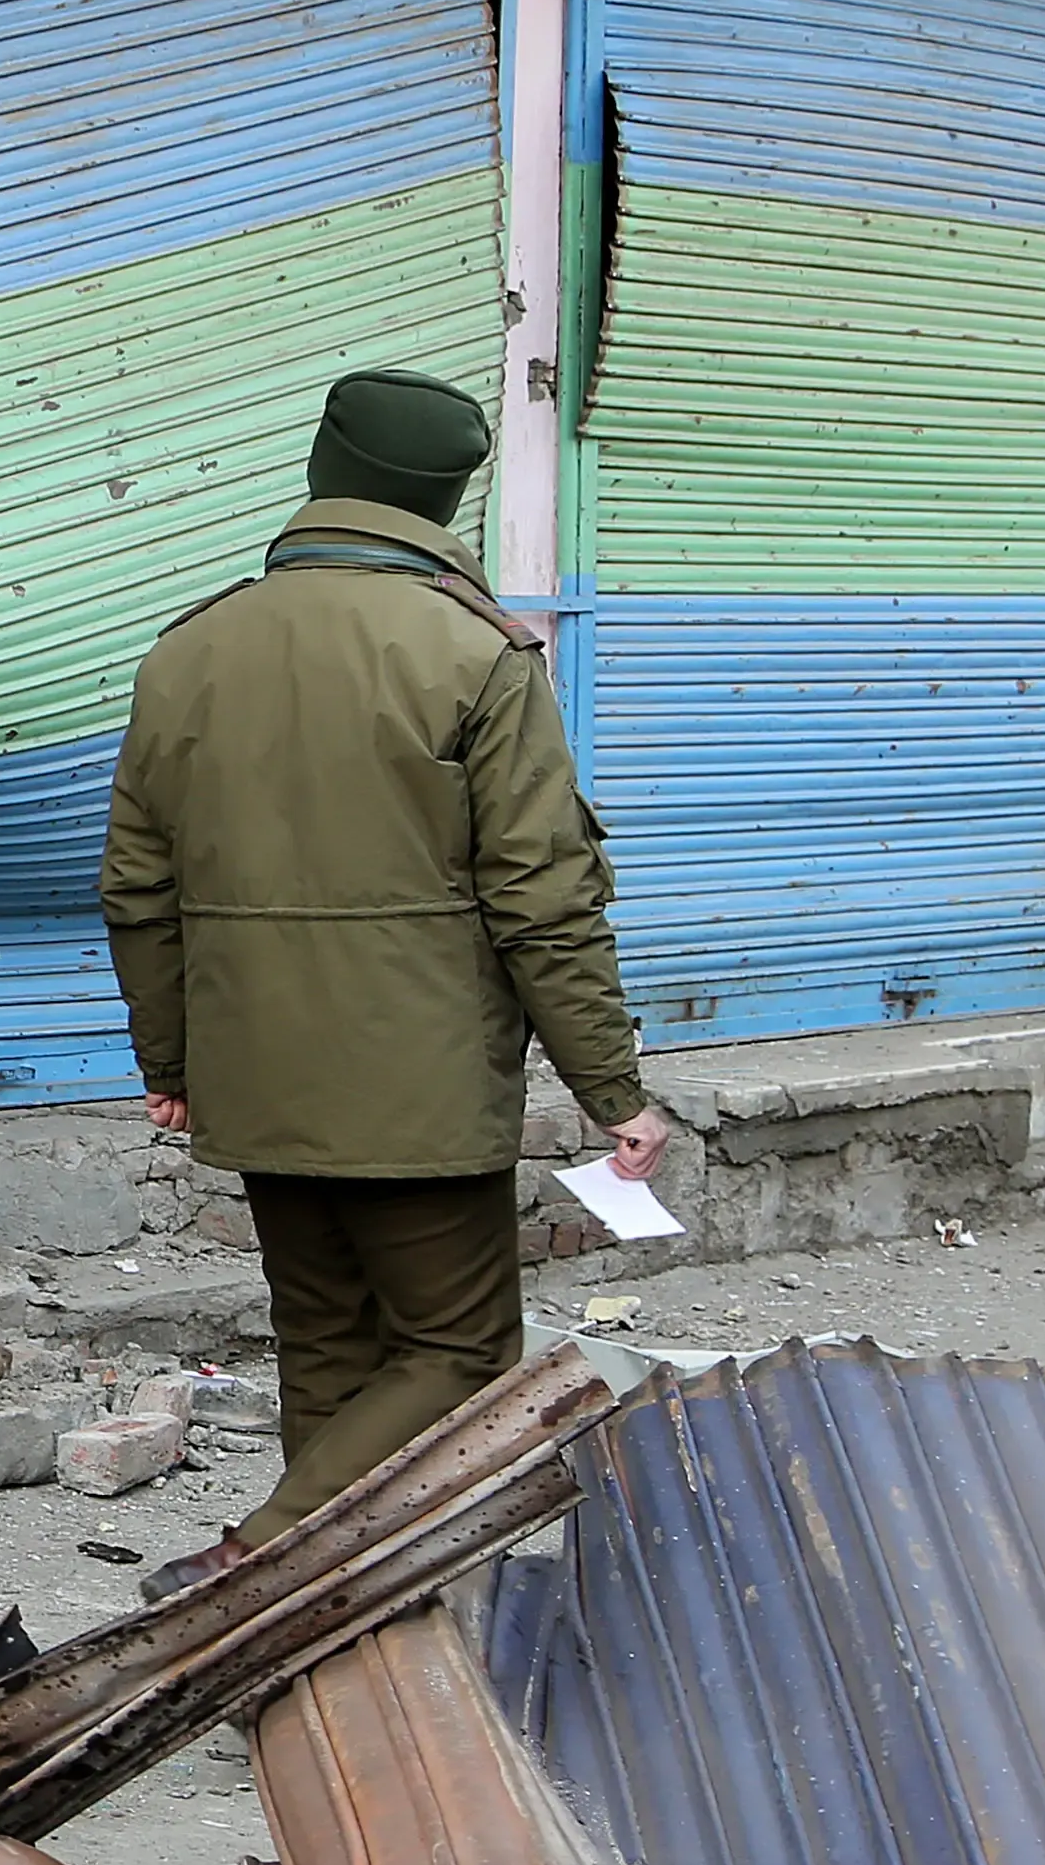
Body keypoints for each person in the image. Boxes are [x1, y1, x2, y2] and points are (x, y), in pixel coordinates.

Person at [97, 368, 671, 1594]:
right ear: (446, 499)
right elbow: (543, 897)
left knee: (329, 1346)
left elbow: (136, 889)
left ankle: (322, 1628)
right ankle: (248, 1568)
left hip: (253, 1066)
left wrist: (172, 1063)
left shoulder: (189, 649)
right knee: (458, 1346)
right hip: (417, 1087)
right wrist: (613, 1086)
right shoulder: (475, 655)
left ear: (322, 473)